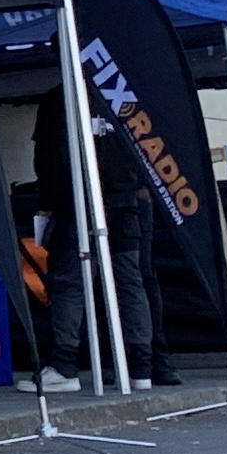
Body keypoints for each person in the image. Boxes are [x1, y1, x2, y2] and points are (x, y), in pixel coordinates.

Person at [28, 91, 174, 392]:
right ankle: (141, 368)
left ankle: (65, 366)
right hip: (125, 204)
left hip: (76, 204)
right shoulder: (120, 90)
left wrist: (48, 201)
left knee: (70, 283)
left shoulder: (60, 98)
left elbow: (51, 155)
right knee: (130, 282)